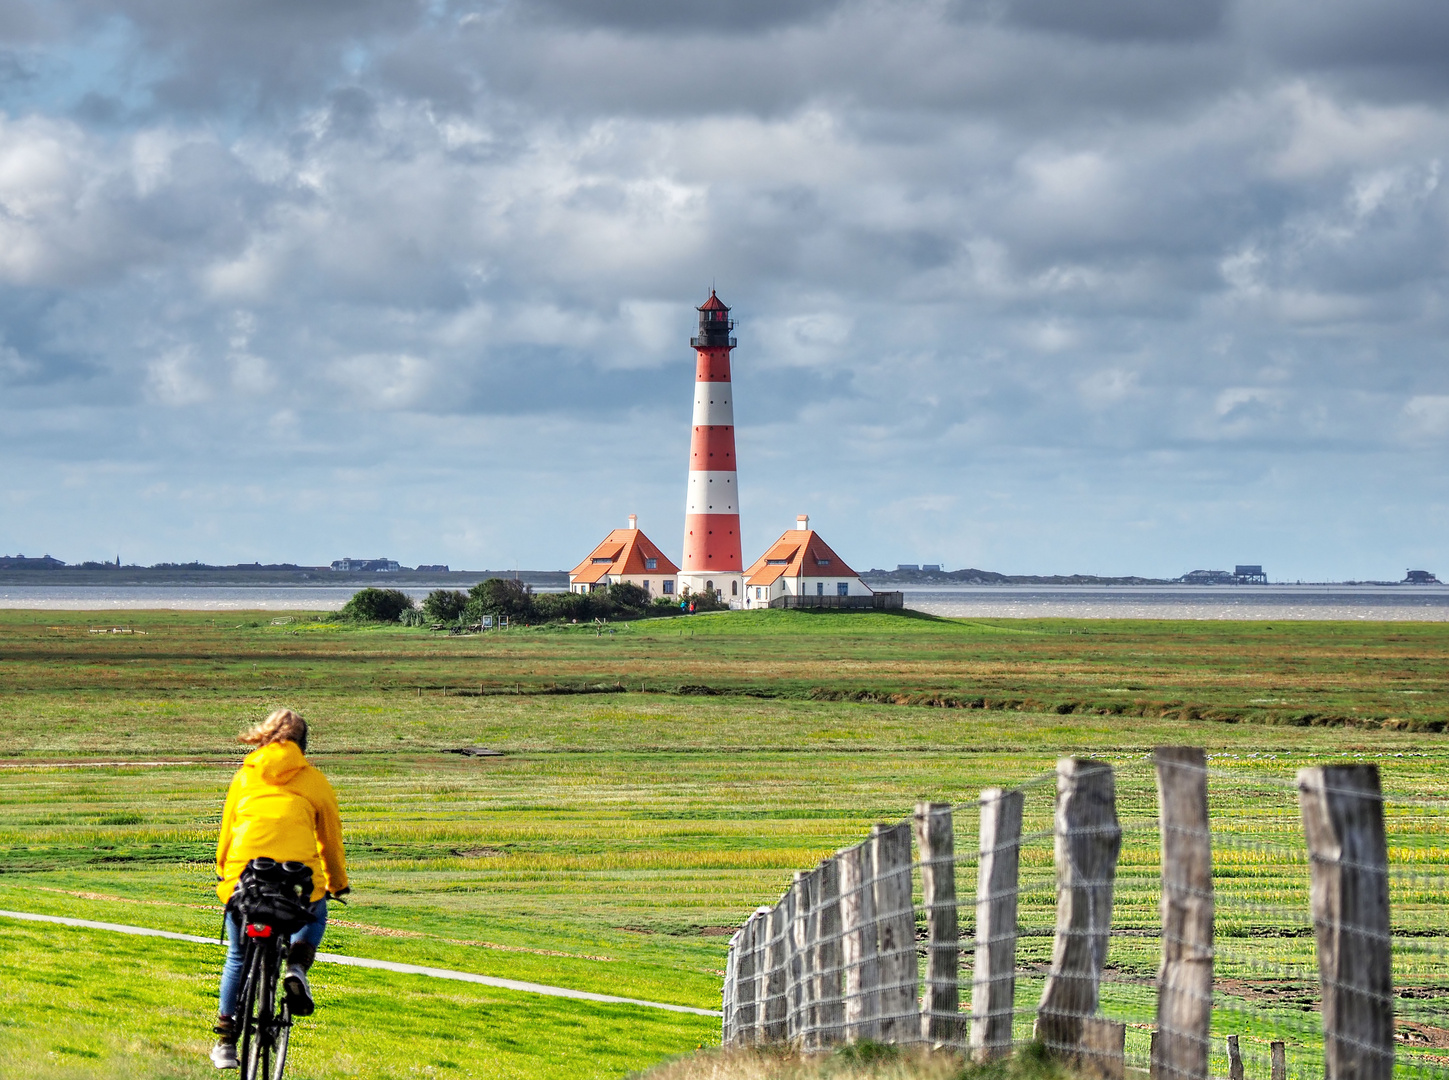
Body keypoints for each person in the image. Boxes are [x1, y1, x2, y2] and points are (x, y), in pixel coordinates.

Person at [210, 709, 348, 1070]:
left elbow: (227, 832)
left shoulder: (245, 777)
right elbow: (330, 841)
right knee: (316, 911)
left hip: (246, 880)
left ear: (264, 739)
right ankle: (297, 966)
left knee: (238, 957)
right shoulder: (315, 781)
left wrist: (225, 876)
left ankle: (225, 1040)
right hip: (295, 882)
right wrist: (336, 884)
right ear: (303, 745)